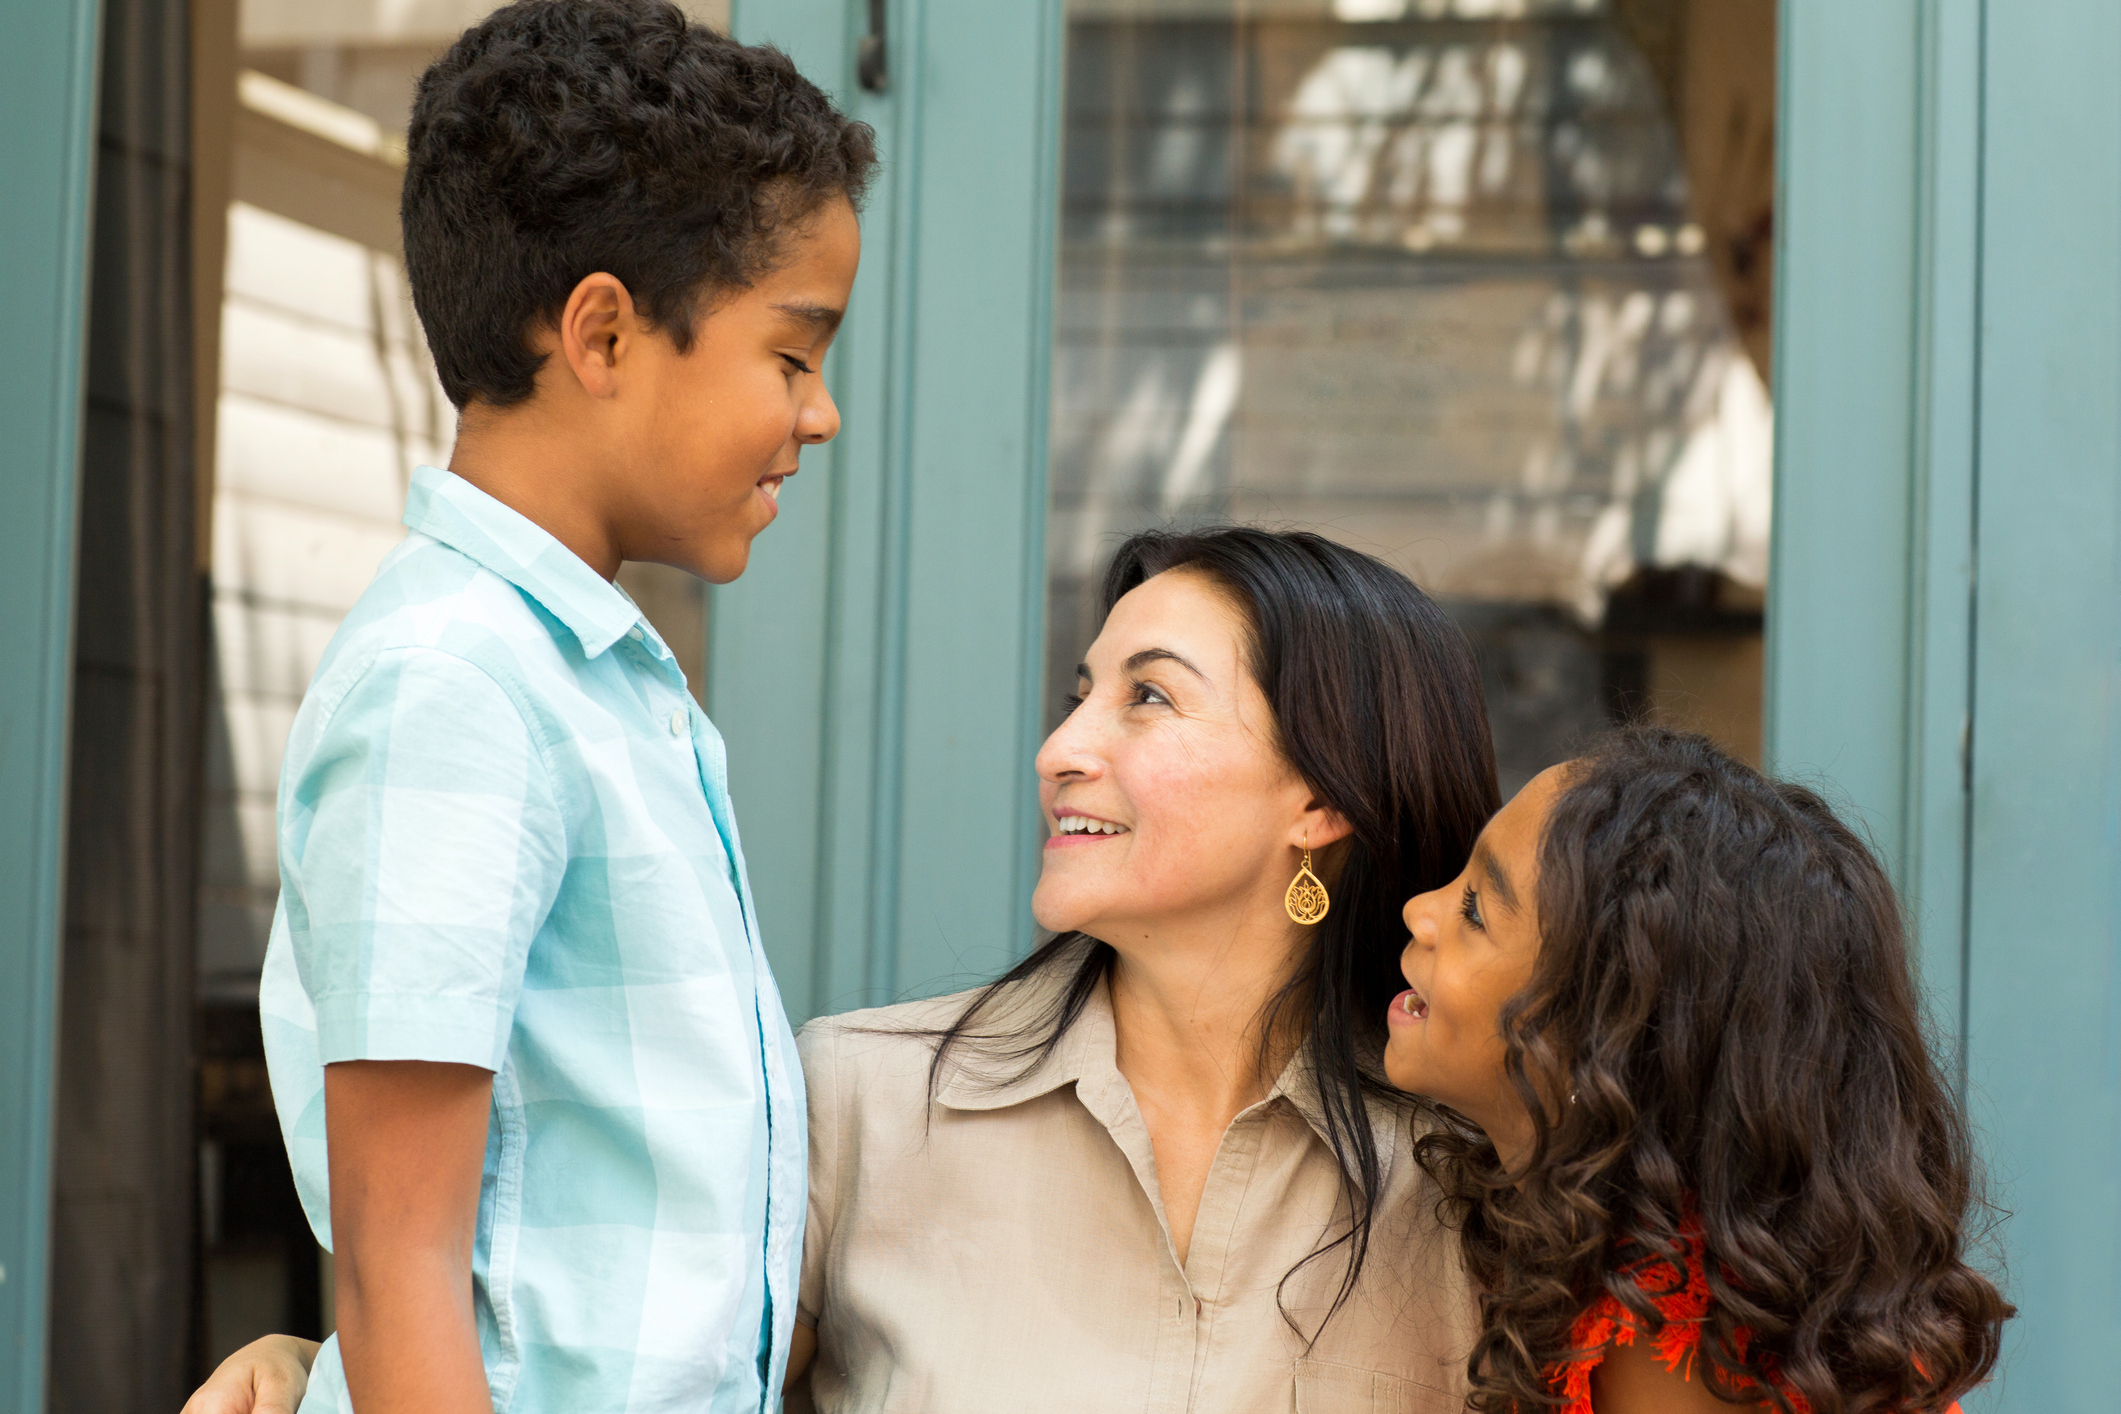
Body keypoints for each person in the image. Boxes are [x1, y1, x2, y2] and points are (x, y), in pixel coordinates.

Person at [192, 527, 1503, 1413]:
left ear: (1322, 798)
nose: (1059, 745)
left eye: (1146, 698)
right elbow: (615, 1363)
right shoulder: (856, 1101)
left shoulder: (1463, 1188)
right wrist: (314, 1371)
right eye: (1078, 689)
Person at [195, 3, 873, 1412]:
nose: (820, 416)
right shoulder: (456, 686)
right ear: (606, 334)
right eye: (793, 357)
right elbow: (401, 1273)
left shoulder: (593, 682)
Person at [1385, 729, 2013, 1413]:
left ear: (1601, 1041)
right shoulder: (1613, 1244)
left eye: (1475, 909)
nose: (1419, 911)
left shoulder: (1667, 1340)